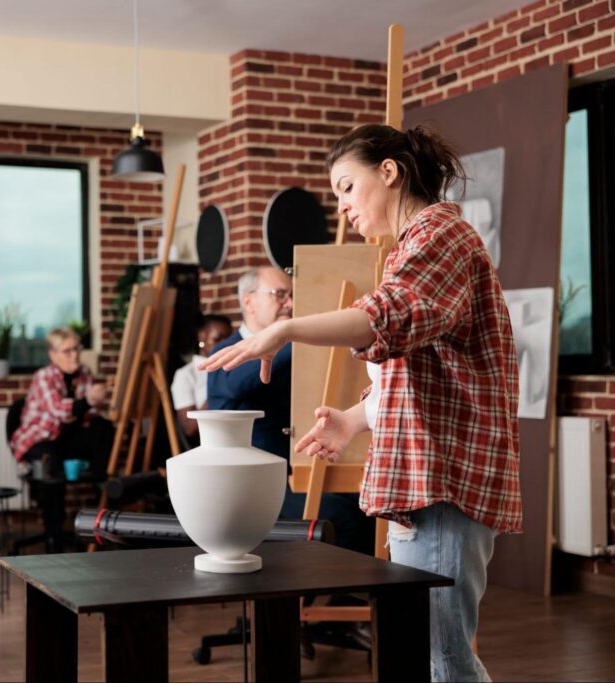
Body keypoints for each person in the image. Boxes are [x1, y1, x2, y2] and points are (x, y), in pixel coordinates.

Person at [204, 123, 521, 682]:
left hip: (440, 483)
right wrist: (353, 419)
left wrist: (287, 330)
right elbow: (421, 375)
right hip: (425, 482)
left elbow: (388, 316)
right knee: (431, 654)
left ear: (390, 172)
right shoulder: (416, 246)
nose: (343, 206)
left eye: (347, 187)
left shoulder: (438, 236)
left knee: (441, 659)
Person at [207, 267, 373, 555]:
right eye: (279, 295)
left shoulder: (286, 349)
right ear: (249, 302)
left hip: (299, 470)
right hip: (251, 485)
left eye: (292, 295)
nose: (290, 304)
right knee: (341, 517)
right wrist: (299, 334)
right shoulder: (226, 350)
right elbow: (241, 384)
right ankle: (335, 596)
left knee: (368, 505)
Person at [9, 327, 113, 551]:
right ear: (53, 354)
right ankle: (53, 536)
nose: (74, 355)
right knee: (51, 462)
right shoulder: (44, 376)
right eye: (67, 351)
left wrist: (99, 404)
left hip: (65, 436)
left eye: (76, 349)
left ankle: (103, 496)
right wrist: (89, 400)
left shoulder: (83, 373)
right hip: (39, 438)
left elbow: (88, 412)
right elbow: (59, 411)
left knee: (103, 428)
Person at [170, 314, 232, 444]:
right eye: (217, 339)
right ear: (202, 337)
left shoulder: (232, 369)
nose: (224, 345)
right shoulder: (186, 375)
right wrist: (219, 389)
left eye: (228, 340)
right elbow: (189, 428)